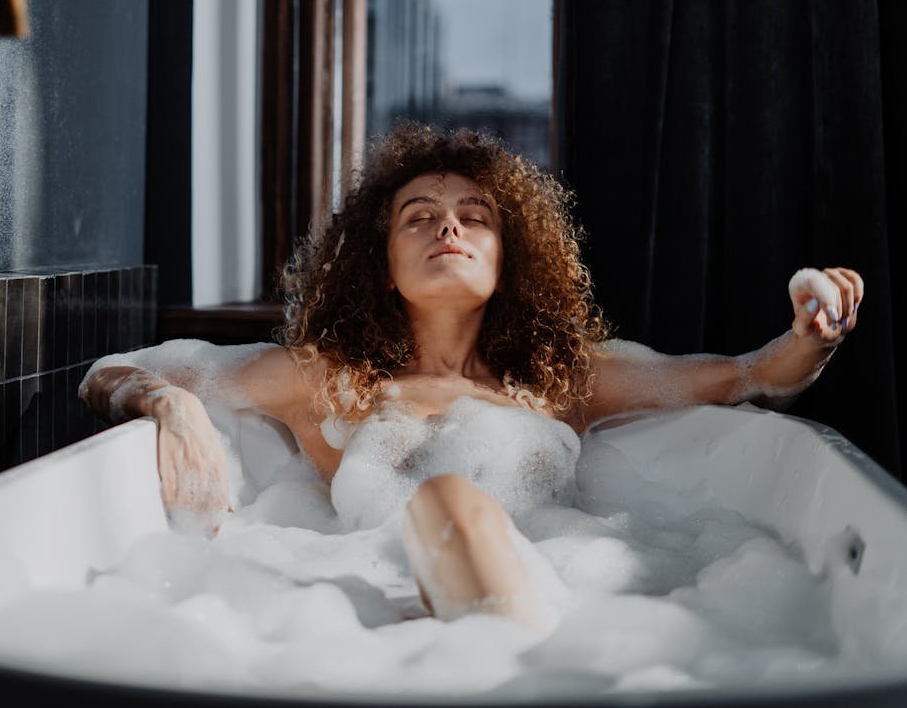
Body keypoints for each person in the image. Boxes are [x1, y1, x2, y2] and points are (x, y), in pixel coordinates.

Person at [80, 121, 863, 630]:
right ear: (380, 265)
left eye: (475, 215)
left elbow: (754, 376)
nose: (448, 224)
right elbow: (110, 371)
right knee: (447, 500)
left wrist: (814, 331)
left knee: (454, 504)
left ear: (504, 258)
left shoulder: (561, 382)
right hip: (377, 620)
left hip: (541, 607)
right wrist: (170, 400)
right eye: (418, 214)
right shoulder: (331, 381)